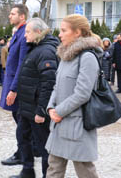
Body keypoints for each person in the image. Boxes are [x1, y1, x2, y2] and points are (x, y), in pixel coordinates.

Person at [45, 14, 102, 178]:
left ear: (77, 32)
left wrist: (59, 111)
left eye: (64, 30)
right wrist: (50, 107)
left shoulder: (87, 57)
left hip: (78, 126)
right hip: (59, 124)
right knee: (54, 169)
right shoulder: (65, 56)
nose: (59, 34)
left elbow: (83, 93)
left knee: (85, 171)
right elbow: (56, 86)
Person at [10, 18, 59, 178]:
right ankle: (27, 171)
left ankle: (48, 175)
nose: (25, 36)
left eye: (28, 32)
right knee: (23, 137)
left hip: (37, 109)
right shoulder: (36, 47)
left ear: (38, 32)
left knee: (44, 146)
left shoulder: (46, 51)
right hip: (26, 107)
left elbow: (48, 84)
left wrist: (41, 111)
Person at [0, 4, 30, 166]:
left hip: (17, 85)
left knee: (21, 119)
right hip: (11, 81)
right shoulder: (18, 32)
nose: (10, 16)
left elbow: (22, 63)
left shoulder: (24, 33)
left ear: (22, 17)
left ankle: (23, 153)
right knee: (18, 118)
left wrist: (14, 89)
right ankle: (31, 148)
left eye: (13, 14)